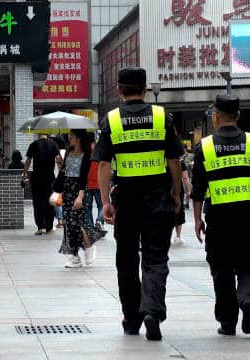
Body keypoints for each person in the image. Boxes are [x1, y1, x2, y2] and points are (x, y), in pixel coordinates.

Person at [94, 67, 183, 341]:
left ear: (120, 90)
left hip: (127, 200)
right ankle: (152, 311)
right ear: (145, 89)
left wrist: (105, 200)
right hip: (158, 197)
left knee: (127, 261)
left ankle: (132, 318)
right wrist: (176, 193)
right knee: (156, 257)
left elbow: (104, 165)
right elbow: (175, 163)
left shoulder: (110, 121)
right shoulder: (161, 117)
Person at [192, 95, 250, 336]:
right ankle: (247, 297)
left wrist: (197, 219)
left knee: (222, 269)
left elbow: (197, 190)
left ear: (215, 117)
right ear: (237, 117)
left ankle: (228, 322)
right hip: (249, 217)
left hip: (219, 219)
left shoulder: (204, 147)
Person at [59, 130, 103, 267]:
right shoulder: (68, 152)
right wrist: (60, 165)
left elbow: (83, 177)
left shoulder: (86, 154)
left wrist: (80, 196)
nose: (69, 138)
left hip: (79, 191)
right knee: (68, 224)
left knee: (78, 224)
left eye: (71, 136)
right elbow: (64, 173)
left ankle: (89, 247)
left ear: (78, 138)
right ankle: (75, 256)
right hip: (67, 190)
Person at [22, 134, 62, 235]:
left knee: (38, 201)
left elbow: (28, 161)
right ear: (47, 134)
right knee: (50, 201)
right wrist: (61, 174)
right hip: (50, 176)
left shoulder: (33, 144)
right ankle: (49, 226)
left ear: (39, 134)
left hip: (37, 176)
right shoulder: (53, 144)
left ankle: (41, 227)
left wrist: (24, 174)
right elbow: (58, 160)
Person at [86, 142, 104, 230]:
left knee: (88, 206)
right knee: (101, 205)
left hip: (88, 183)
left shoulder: (84, 151)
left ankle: (89, 225)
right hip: (99, 183)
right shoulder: (100, 150)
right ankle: (99, 221)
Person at [172, 158, 191, 245]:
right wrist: (188, 191)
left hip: (164, 188)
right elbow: (185, 178)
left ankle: (166, 235)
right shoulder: (180, 162)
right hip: (177, 189)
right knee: (178, 211)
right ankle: (178, 236)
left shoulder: (163, 159)